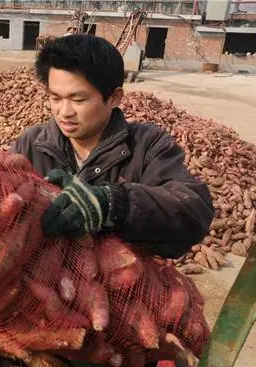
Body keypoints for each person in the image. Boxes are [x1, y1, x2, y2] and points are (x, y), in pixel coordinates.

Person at [11, 34, 214, 262]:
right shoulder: (32, 144)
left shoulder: (147, 145)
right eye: (55, 98)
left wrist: (113, 203)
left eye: (78, 100)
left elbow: (193, 212)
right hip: (45, 278)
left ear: (115, 97)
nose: (64, 111)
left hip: (120, 285)